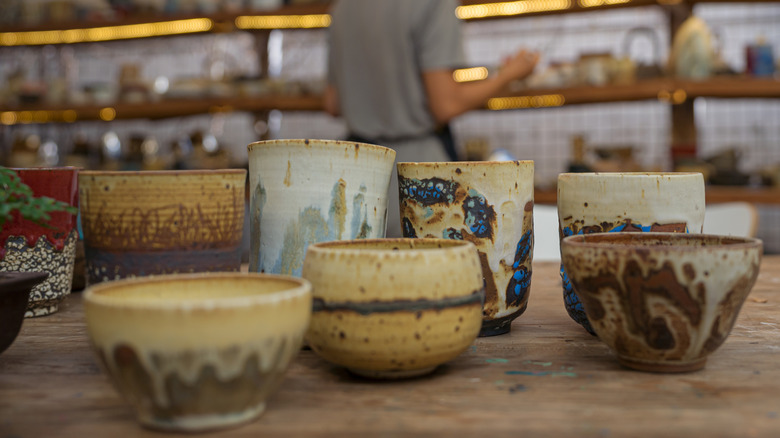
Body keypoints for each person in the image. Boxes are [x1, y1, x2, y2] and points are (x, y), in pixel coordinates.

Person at [325, 0, 539, 237]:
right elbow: (445, 104)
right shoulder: (434, 3)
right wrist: (508, 75)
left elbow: (332, 103)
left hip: (356, 172)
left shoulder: (342, 8)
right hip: (418, 179)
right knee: (424, 268)